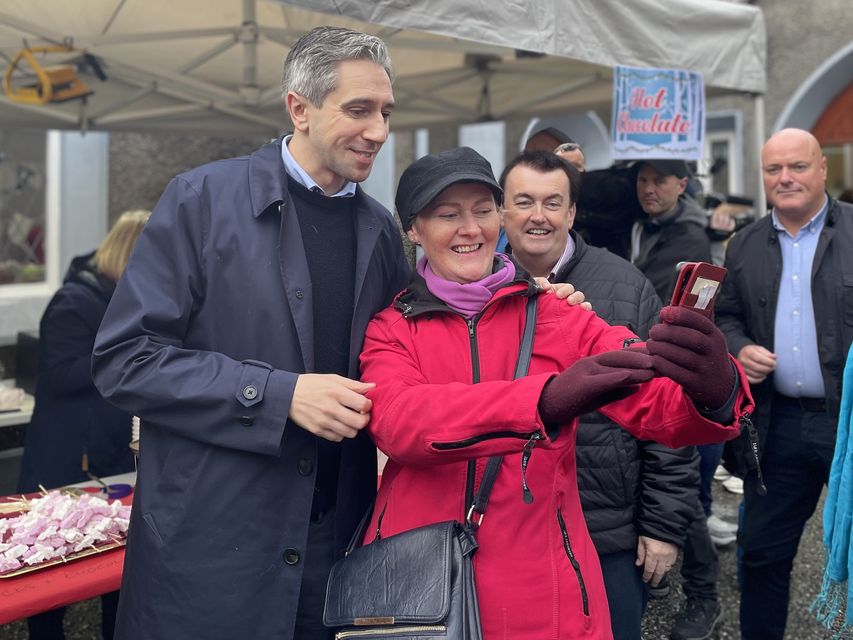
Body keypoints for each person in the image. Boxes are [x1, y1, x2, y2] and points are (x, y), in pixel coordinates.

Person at [90, 27, 411, 640]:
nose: (379, 130)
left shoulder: (379, 228)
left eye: (387, 111)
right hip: (211, 550)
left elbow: (419, 343)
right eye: (359, 109)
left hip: (335, 544)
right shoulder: (200, 198)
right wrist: (279, 395)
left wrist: (532, 297)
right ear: (299, 107)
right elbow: (124, 359)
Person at [358, 146, 754, 639]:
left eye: (482, 211)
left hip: (545, 589)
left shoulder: (555, 313)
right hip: (421, 588)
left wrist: (712, 388)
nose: (469, 228)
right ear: (413, 229)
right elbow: (401, 421)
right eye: (447, 214)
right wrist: (542, 402)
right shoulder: (391, 328)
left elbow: (653, 400)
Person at [499, 150, 700, 640]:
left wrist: (662, 525)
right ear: (502, 212)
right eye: (523, 201)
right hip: (504, 524)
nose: (538, 216)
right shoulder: (474, 290)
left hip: (604, 525)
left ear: (572, 213)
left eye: (553, 203)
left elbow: (671, 412)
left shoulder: (624, 286)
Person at [716, 128, 853, 640]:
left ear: (822, 170)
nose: (785, 178)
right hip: (778, 426)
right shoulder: (746, 245)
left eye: (797, 166)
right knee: (761, 555)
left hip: (850, 422)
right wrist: (738, 347)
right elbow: (724, 318)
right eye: (774, 169)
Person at [17, 209, 150, 640]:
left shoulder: (120, 303)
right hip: (62, 462)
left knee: (115, 569)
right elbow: (56, 376)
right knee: (46, 578)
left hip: (106, 459)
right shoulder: (75, 301)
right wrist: (122, 357)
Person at [630, 159, 712, 304]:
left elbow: (649, 293)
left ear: (681, 186)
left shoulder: (690, 239)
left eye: (659, 181)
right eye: (642, 180)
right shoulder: (637, 224)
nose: (648, 189)